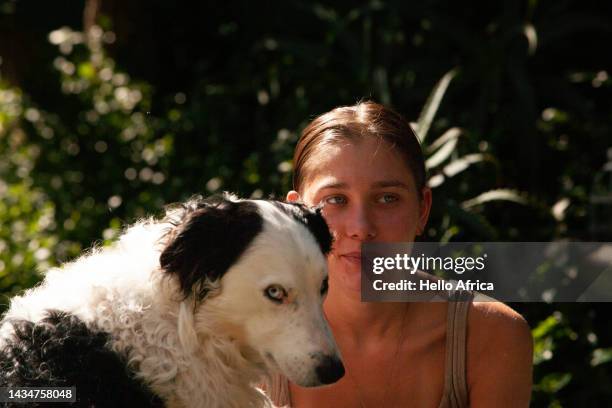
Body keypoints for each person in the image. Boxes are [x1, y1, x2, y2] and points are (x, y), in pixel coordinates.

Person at [265, 101, 533, 407]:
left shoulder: (489, 336)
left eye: (387, 198)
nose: (361, 227)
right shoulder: (240, 343)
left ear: (422, 210)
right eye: (336, 199)